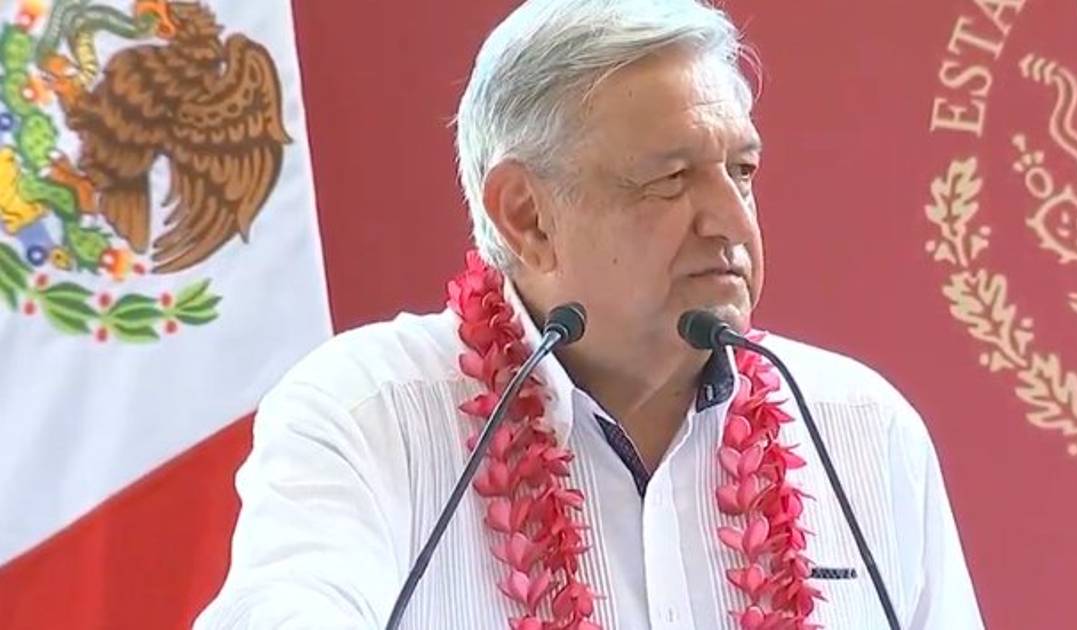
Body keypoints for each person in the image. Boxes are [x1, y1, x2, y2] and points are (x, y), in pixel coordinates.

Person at [195, 1, 985, 628]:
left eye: (741, 170)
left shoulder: (860, 428)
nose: (731, 221)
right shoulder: (371, 414)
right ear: (527, 215)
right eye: (670, 178)